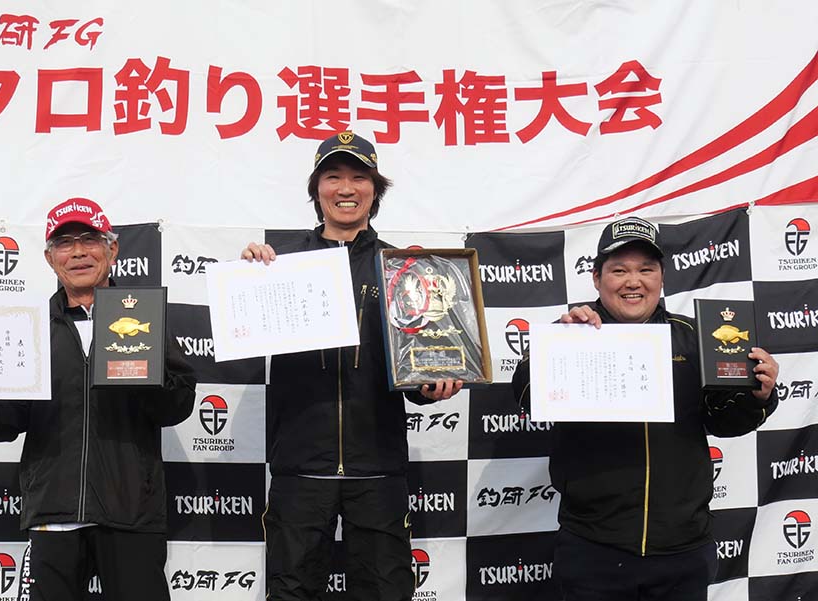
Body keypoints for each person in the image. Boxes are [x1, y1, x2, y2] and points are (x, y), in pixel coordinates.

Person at [241, 131, 462, 601]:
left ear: (375, 190)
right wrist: (248, 279)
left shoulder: (404, 268)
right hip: (300, 468)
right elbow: (244, 327)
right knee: (290, 593)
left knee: (386, 593)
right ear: (316, 189)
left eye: (359, 178)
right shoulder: (280, 267)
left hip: (377, 469)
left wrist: (430, 385)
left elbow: (416, 361)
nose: (346, 188)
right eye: (333, 177)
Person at [512, 216, 780, 601]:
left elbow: (725, 420)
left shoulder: (695, 336)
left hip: (683, 549)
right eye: (619, 270)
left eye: (646, 270)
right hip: (593, 546)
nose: (633, 281)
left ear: (662, 277)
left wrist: (759, 395)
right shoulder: (570, 333)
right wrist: (555, 345)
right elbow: (525, 395)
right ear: (596, 278)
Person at [0, 197, 196, 601]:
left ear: (112, 250)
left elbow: (179, 403)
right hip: (54, 512)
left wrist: (140, 376)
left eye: (90, 239)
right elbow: (14, 413)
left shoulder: (144, 318)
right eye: (65, 243)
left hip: (131, 512)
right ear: (50, 259)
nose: (79, 252)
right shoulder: (28, 325)